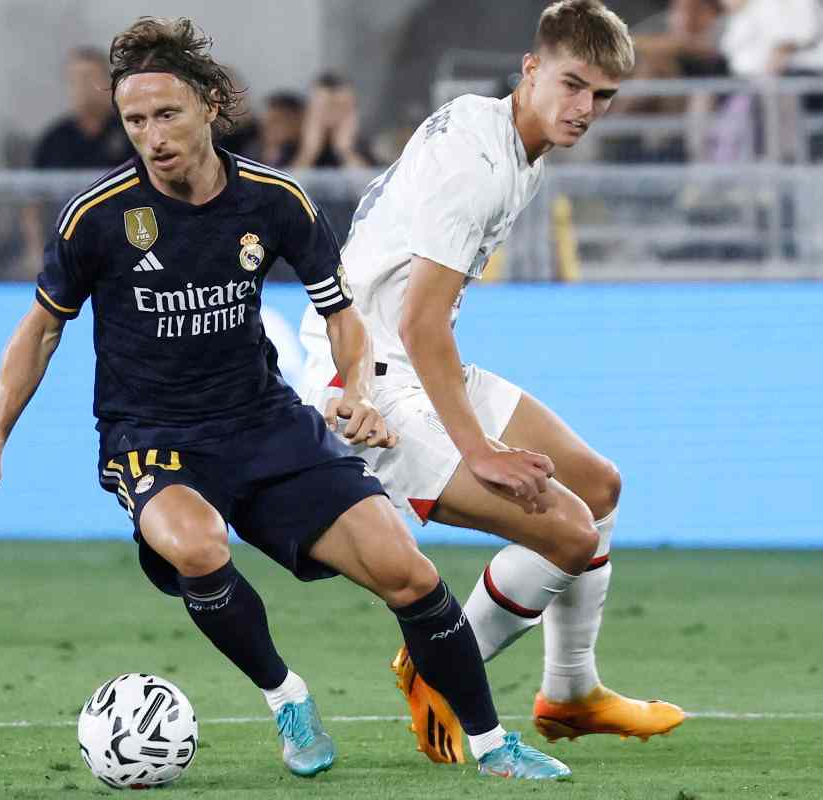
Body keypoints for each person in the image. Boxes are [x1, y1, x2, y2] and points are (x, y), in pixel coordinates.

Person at [0, 16, 570, 781]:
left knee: (406, 571)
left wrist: (356, 392)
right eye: (134, 121)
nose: (151, 136)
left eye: (166, 114)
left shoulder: (274, 202)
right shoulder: (98, 217)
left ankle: (491, 744)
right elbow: (38, 333)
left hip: (265, 423)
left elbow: (342, 313)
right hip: (152, 434)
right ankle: (286, 698)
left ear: (209, 103)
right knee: (199, 545)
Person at [298, 0, 686, 764]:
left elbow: (425, 320)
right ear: (532, 69)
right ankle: (442, 662)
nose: (586, 109)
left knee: (597, 487)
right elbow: (418, 322)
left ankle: (571, 694)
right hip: (369, 378)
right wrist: (479, 450)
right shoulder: (476, 165)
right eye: (573, 85)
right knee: (570, 533)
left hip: (415, 356)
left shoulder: (511, 140)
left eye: (603, 96)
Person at [292, 73, 377, 168]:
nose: (334, 116)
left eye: (343, 108)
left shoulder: (368, 146)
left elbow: (369, 181)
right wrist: (310, 150)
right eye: (326, 108)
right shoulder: (291, 143)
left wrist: (344, 150)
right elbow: (285, 181)